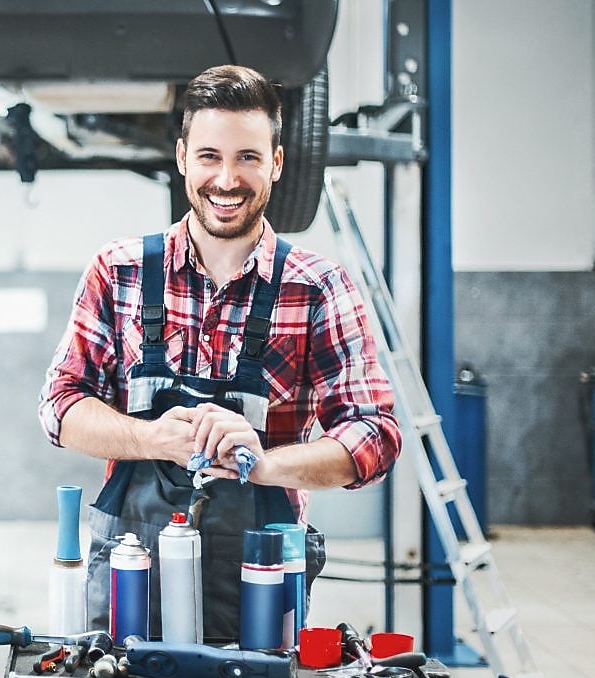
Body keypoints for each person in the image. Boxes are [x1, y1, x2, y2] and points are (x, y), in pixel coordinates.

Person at [38, 65, 402, 640]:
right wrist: (153, 438)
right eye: (209, 156)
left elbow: (376, 436)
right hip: (133, 573)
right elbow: (59, 407)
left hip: (263, 575)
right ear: (182, 157)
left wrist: (263, 464)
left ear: (277, 164)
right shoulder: (121, 270)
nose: (227, 179)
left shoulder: (319, 287)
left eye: (248, 158)